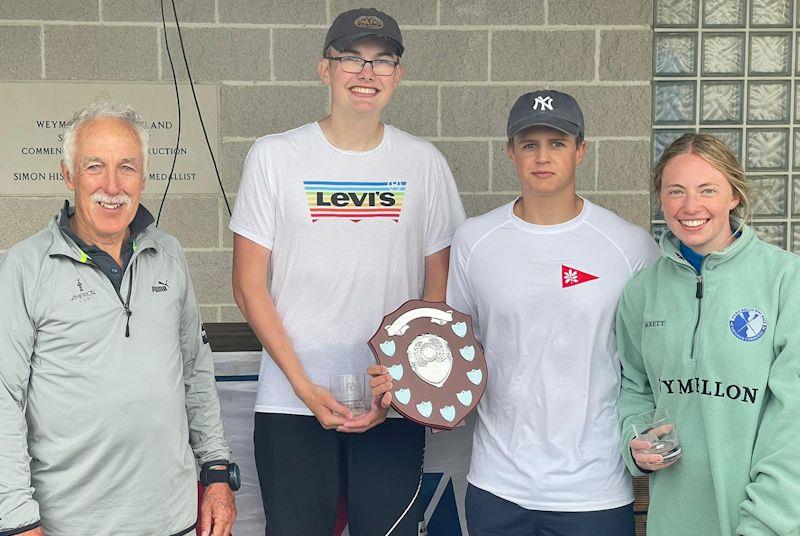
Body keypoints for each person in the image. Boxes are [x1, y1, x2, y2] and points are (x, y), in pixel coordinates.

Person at [372, 90, 659, 535]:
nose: (542, 156)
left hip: (594, 487)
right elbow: (455, 354)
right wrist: (408, 386)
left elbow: (649, 363)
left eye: (557, 143)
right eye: (529, 144)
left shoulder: (630, 246)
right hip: (498, 485)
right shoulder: (475, 239)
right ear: (510, 152)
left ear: (581, 151)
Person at [229, 7, 465, 535]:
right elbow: (248, 285)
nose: (366, 73)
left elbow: (439, 292)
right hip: (292, 403)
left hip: (392, 402)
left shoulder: (423, 163)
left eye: (383, 62)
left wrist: (400, 385)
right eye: (351, 59)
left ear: (398, 75)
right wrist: (303, 385)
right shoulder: (274, 156)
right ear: (324, 69)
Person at [0, 101, 237, 536]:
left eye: (127, 167)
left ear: (143, 178)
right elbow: (2, 396)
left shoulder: (168, 253)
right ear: (69, 175)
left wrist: (217, 472)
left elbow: (195, 371)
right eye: (95, 167)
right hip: (68, 524)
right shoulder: (23, 266)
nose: (112, 185)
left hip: (173, 518)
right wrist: (16, 518)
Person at [617, 133, 800, 535]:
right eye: (676, 191)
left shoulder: (786, 281)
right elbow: (634, 386)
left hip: (764, 524)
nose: (690, 206)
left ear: (733, 196)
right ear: (661, 199)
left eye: (707, 190)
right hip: (672, 521)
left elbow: (792, 421)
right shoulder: (642, 292)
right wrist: (636, 438)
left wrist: (763, 526)